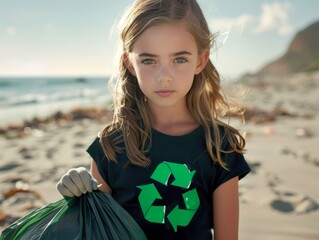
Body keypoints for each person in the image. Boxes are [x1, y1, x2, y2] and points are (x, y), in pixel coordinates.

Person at [57, 0, 250, 239]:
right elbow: (93, 230)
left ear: (200, 60)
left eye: (179, 59)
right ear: (130, 63)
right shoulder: (111, 145)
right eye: (148, 60)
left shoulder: (220, 145)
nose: (164, 77)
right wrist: (77, 196)